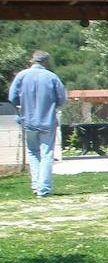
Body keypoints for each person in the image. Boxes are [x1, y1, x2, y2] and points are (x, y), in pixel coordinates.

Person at [8, 51, 67, 197]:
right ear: (46, 62)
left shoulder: (22, 76)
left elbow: (12, 97)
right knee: (47, 154)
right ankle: (43, 189)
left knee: (33, 152)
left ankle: (36, 185)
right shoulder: (52, 77)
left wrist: (22, 105)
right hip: (47, 121)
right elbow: (62, 99)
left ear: (32, 61)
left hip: (28, 120)